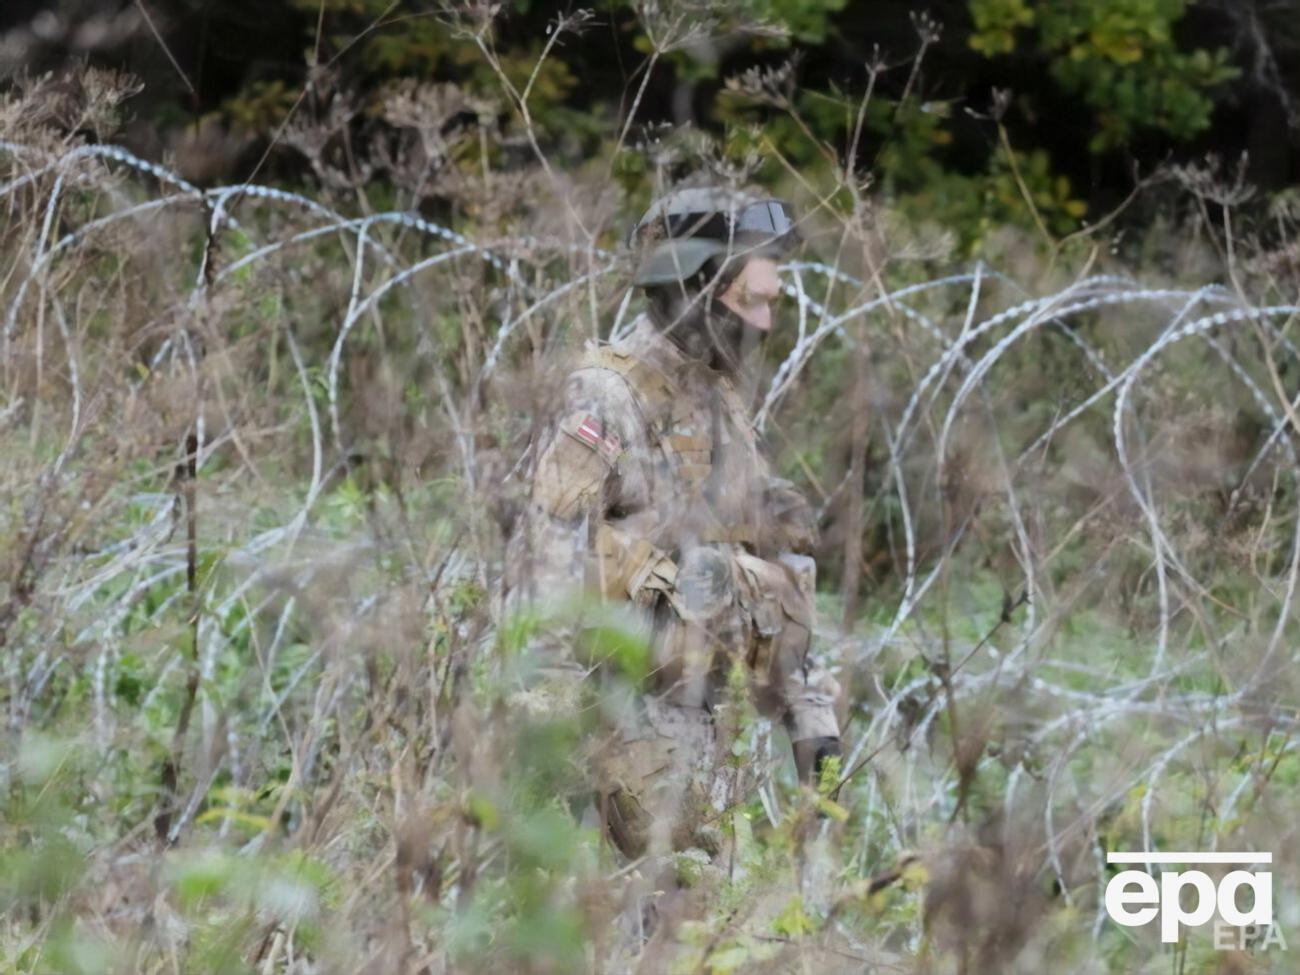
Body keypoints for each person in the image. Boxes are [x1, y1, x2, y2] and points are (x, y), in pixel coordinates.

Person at [503, 186, 842, 860]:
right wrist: (552, 760)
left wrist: (813, 723)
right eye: (753, 302)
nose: (768, 324)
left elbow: (771, 578)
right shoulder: (607, 398)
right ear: (695, 292)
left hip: (703, 741)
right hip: (612, 744)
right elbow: (541, 578)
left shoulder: (719, 404)